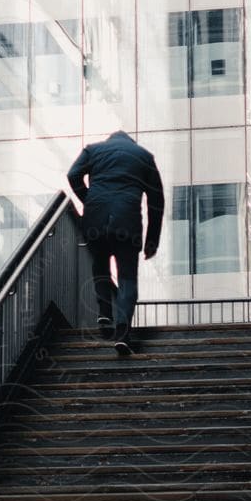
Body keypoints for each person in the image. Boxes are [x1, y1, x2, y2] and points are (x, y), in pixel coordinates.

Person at [66, 130, 165, 354]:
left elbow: (73, 175)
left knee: (99, 265)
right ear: (131, 142)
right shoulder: (144, 157)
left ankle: (104, 312)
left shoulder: (93, 149)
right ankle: (122, 332)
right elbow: (156, 200)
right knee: (127, 278)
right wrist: (152, 241)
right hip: (127, 223)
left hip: (95, 220)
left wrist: (89, 199)